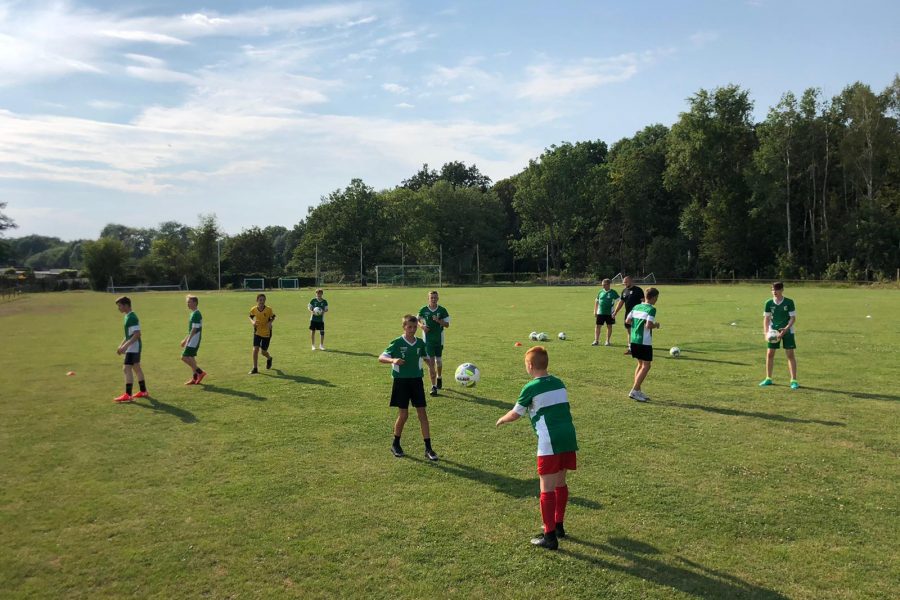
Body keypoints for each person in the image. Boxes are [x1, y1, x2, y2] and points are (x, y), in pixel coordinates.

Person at [496, 346, 577, 551]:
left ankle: (549, 536)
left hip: (550, 441)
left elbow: (516, 413)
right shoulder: (559, 382)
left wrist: (502, 419)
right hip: (568, 436)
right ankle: (558, 526)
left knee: (546, 489)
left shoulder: (531, 387)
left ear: (530, 366)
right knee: (560, 483)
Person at [379, 314, 439, 462]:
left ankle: (428, 448)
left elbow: (425, 357)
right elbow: (381, 357)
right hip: (401, 382)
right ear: (404, 327)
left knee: (422, 414)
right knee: (404, 415)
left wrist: (431, 366)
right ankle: (395, 444)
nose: (412, 329)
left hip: (416, 381)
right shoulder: (397, 342)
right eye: (409, 327)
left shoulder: (420, 343)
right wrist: (393, 360)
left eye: (414, 327)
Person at [759, 281, 799, 389]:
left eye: (776, 289)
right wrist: (766, 333)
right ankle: (768, 378)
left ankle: (794, 381)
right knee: (770, 354)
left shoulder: (789, 302)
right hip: (773, 331)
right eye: (772, 289)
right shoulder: (768, 303)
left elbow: (793, 318)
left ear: (782, 290)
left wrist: (786, 329)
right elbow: (766, 319)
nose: (774, 291)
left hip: (788, 331)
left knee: (790, 355)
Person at [625, 287, 660, 402]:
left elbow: (627, 321)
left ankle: (638, 390)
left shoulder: (636, 307)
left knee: (640, 365)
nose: (657, 300)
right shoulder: (651, 309)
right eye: (657, 298)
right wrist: (656, 325)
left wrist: (637, 325)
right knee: (646, 366)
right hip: (644, 341)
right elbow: (648, 325)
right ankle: (634, 390)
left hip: (634, 340)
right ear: (653, 298)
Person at [114, 296, 148, 403]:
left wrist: (125, 346)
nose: (118, 308)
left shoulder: (132, 317)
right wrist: (121, 345)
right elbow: (128, 334)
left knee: (126, 368)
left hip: (133, 347)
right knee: (136, 368)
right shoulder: (127, 316)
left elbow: (137, 334)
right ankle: (143, 391)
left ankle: (128, 395)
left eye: (120, 306)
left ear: (126, 305)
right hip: (132, 346)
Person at [418, 290, 450, 396]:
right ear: (428, 299)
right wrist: (422, 326)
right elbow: (416, 320)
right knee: (431, 363)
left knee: (438, 361)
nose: (433, 299)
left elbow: (447, 325)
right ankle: (434, 386)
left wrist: (438, 320)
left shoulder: (442, 310)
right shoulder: (423, 310)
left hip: (439, 340)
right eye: (431, 297)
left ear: (438, 298)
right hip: (428, 341)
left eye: (435, 297)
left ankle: (439, 377)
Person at [612, 275, 644, 355]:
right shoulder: (624, 291)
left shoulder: (638, 290)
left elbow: (643, 302)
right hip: (628, 314)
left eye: (626, 282)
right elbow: (621, 302)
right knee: (629, 331)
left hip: (638, 314)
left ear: (631, 281)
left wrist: (643, 313)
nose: (624, 283)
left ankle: (639, 347)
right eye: (624, 282)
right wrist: (615, 312)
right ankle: (630, 348)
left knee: (637, 332)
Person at [180, 295, 207, 385]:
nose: (187, 304)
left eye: (189, 302)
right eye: (187, 302)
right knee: (191, 358)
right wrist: (185, 340)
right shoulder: (193, 313)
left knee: (184, 357)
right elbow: (191, 330)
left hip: (194, 340)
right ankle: (194, 378)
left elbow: (194, 329)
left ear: (195, 303)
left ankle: (200, 372)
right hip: (192, 338)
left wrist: (188, 340)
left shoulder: (196, 314)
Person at [248, 293, 275, 374]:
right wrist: (253, 322)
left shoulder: (268, 309)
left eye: (263, 300)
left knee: (263, 352)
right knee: (255, 349)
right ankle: (255, 368)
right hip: (257, 332)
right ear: (257, 300)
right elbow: (250, 316)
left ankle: (269, 358)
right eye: (260, 300)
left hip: (267, 332)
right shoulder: (254, 309)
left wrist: (270, 322)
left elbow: (273, 317)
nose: (262, 301)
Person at [593, 278, 619, 346]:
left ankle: (607, 341)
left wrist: (615, 310)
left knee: (609, 326)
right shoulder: (600, 292)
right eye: (602, 285)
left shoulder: (613, 292)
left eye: (604, 285)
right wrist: (595, 311)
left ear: (608, 284)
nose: (603, 286)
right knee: (598, 326)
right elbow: (596, 301)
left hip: (610, 313)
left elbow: (619, 301)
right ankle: (596, 341)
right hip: (600, 312)